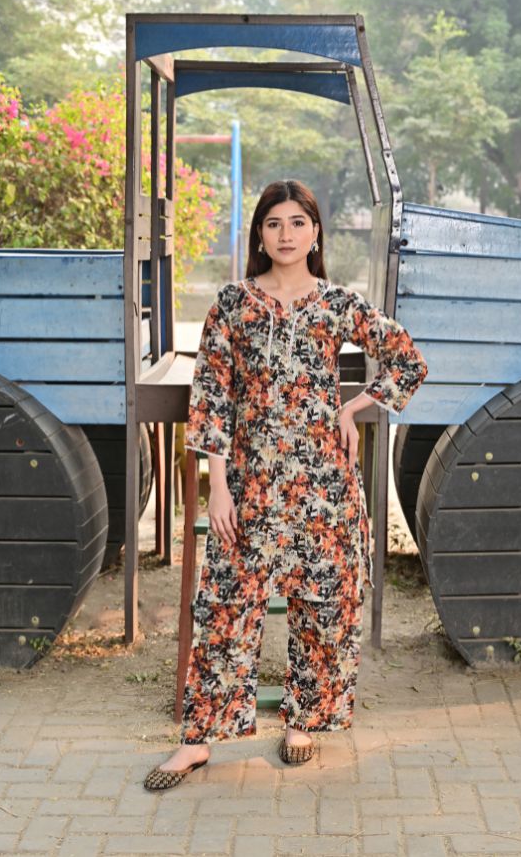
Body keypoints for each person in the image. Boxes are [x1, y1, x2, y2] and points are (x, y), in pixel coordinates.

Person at [144, 179, 427, 791]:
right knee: (225, 607)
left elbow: (408, 359)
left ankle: (303, 723)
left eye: (298, 222)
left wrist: (355, 406)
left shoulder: (336, 304)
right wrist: (217, 485)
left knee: (324, 606)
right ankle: (196, 740)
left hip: (323, 486)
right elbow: (211, 397)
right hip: (249, 487)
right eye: (274, 223)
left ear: (316, 233)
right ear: (259, 235)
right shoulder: (233, 303)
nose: (287, 234)